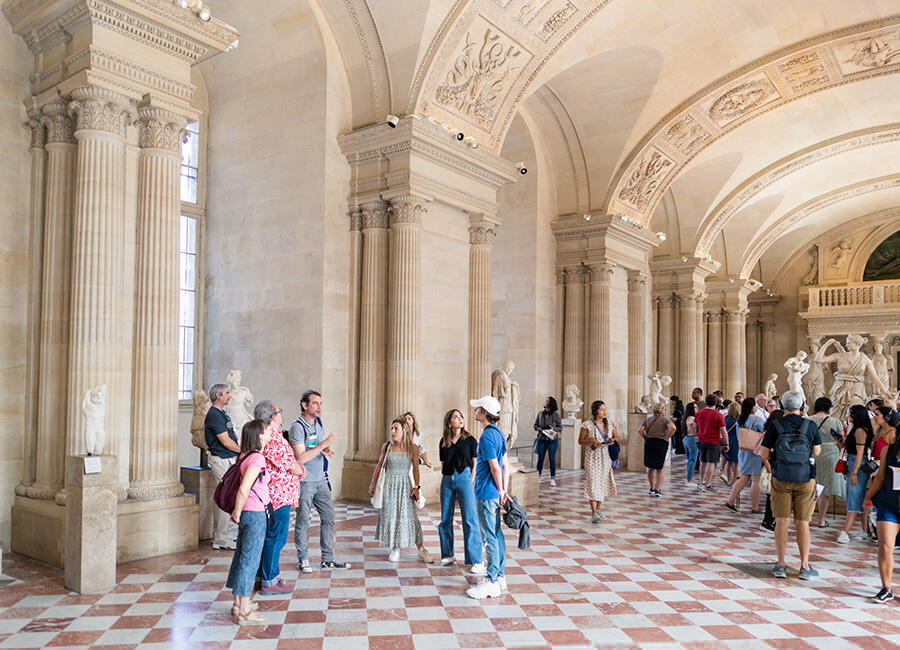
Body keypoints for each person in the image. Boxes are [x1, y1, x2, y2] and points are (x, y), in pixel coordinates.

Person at [759, 390, 822, 580]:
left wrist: (772, 467)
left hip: (781, 477)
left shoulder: (775, 426)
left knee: (781, 521)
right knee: (803, 523)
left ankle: (780, 564)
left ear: (782, 406)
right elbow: (817, 452)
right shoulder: (809, 425)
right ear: (801, 406)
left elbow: (763, 453)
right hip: (805, 478)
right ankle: (804, 566)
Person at [289, 390, 349, 571]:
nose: (319, 407)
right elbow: (299, 458)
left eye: (320, 403)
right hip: (305, 481)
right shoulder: (297, 427)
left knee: (329, 516)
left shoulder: (318, 423)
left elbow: (313, 446)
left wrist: (324, 450)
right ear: (304, 405)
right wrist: (323, 444)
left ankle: (327, 559)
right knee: (303, 521)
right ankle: (303, 559)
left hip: (320, 480)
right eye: (315, 403)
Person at [254, 400, 305, 595]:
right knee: (276, 538)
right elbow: (288, 464)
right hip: (278, 496)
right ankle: (270, 580)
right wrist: (299, 469)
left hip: (278, 495)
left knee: (272, 537)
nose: (282, 414)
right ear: (273, 417)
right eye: (280, 411)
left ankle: (263, 577)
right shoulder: (273, 438)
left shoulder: (268, 436)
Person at [224, 419, 272, 625]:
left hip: (248, 512)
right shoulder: (257, 459)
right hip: (254, 513)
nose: (270, 432)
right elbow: (244, 488)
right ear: (260, 436)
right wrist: (236, 512)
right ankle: (244, 609)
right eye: (266, 430)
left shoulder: (245, 456)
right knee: (250, 560)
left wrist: (238, 512)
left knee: (241, 556)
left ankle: (237, 603)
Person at [369, 418, 431, 563]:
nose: (393, 432)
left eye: (396, 428)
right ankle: (395, 548)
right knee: (391, 516)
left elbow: (416, 469)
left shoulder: (413, 448)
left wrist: (416, 487)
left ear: (404, 431)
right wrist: (373, 484)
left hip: (405, 485)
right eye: (392, 428)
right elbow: (379, 466)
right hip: (389, 485)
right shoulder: (387, 446)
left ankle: (421, 549)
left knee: (410, 517)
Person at [466, 395, 510, 600]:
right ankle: (499, 576)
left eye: (478, 409)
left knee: (490, 537)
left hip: (486, 492)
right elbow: (504, 465)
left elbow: (495, 467)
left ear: (484, 413)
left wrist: (501, 490)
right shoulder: (498, 433)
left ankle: (492, 580)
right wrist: (503, 489)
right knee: (496, 534)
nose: (474, 411)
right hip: (493, 492)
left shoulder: (486, 437)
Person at [437, 408, 483, 571]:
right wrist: (449, 477)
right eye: (456, 417)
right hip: (448, 478)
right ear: (449, 422)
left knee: (470, 518)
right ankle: (447, 555)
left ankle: (476, 560)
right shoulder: (444, 441)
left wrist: (470, 479)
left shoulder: (470, 440)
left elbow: (475, 462)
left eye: (461, 416)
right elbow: (443, 463)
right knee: (445, 518)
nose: (460, 419)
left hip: (464, 477)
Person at [864, 434, 900, 602]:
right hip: (889, 503)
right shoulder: (888, 450)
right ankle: (886, 588)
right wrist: (868, 497)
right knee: (885, 545)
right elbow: (880, 477)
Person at [205, 382, 239, 550]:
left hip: (229, 458)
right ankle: (220, 538)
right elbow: (225, 441)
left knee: (227, 494)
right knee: (225, 495)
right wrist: (244, 450)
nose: (230, 395)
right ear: (218, 396)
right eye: (227, 392)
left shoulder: (222, 413)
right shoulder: (213, 414)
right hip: (221, 458)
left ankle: (222, 535)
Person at [837, 405, 875, 544]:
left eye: (850, 413)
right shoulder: (856, 429)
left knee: (853, 498)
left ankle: (845, 532)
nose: (848, 415)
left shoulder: (860, 430)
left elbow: (860, 453)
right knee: (858, 497)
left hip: (857, 465)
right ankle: (865, 531)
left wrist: (854, 472)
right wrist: (840, 443)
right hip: (853, 462)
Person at [808, 397, 845, 528]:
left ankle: (806, 517)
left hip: (813, 452)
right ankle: (821, 520)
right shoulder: (835, 422)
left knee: (811, 486)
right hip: (830, 454)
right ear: (829, 407)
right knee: (825, 489)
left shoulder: (808, 420)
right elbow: (841, 441)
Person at [724, 397, 766, 514]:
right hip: (754, 452)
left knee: (743, 478)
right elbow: (764, 434)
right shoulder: (757, 420)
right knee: (756, 480)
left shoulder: (740, 420)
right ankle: (755, 507)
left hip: (742, 451)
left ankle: (730, 501)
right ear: (753, 407)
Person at [579, 400, 618, 522]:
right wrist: (592, 441)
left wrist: (612, 440)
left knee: (602, 483)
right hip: (592, 456)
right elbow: (580, 441)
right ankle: (594, 512)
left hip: (605, 457)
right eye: (602, 409)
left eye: (605, 409)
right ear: (596, 411)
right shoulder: (587, 425)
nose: (605, 411)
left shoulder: (610, 424)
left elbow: (616, 438)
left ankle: (598, 510)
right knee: (593, 482)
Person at [638, 403, 675, 496]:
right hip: (660, 443)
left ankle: (652, 488)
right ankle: (658, 489)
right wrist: (667, 436)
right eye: (664, 409)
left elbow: (640, 430)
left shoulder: (647, 420)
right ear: (662, 410)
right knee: (660, 467)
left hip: (649, 442)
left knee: (650, 467)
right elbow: (673, 428)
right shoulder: (665, 420)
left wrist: (645, 437)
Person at [695, 394, 728, 489]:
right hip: (713, 441)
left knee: (703, 461)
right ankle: (707, 483)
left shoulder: (699, 413)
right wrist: (726, 443)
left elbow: (696, 427)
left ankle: (701, 481)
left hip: (701, 440)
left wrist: (699, 434)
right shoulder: (718, 415)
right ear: (716, 403)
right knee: (711, 462)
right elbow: (723, 430)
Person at [533, 396, 563, 486]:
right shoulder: (540, 414)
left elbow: (560, 427)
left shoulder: (556, 415)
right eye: (546, 401)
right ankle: (538, 476)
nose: (546, 402)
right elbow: (535, 425)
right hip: (541, 439)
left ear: (551, 403)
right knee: (540, 459)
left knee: (552, 459)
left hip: (552, 440)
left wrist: (554, 428)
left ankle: (553, 478)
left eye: (548, 401)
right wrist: (540, 429)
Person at [721, 401, 741, 486]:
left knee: (729, 462)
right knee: (737, 463)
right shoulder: (739, 420)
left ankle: (728, 480)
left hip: (727, 441)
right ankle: (735, 481)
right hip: (736, 441)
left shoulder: (725, 418)